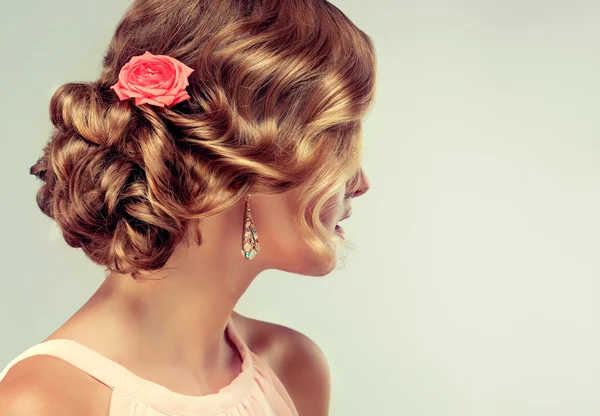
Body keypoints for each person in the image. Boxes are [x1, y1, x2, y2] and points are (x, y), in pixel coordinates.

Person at [0, 0, 375, 414]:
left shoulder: (294, 367)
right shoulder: (46, 401)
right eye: (339, 139)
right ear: (244, 161)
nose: (359, 182)